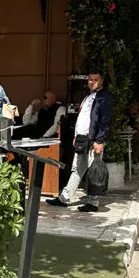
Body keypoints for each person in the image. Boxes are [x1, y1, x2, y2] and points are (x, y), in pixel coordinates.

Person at [47, 70, 112, 212]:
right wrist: (77, 135)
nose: (92, 82)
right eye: (90, 79)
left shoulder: (104, 97)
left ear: (101, 81)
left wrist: (99, 140)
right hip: (82, 138)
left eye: (95, 80)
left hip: (94, 139)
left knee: (94, 169)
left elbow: (104, 120)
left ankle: (93, 202)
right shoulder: (87, 97)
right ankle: (64, 197)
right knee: (77, 168)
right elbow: (83, 117)